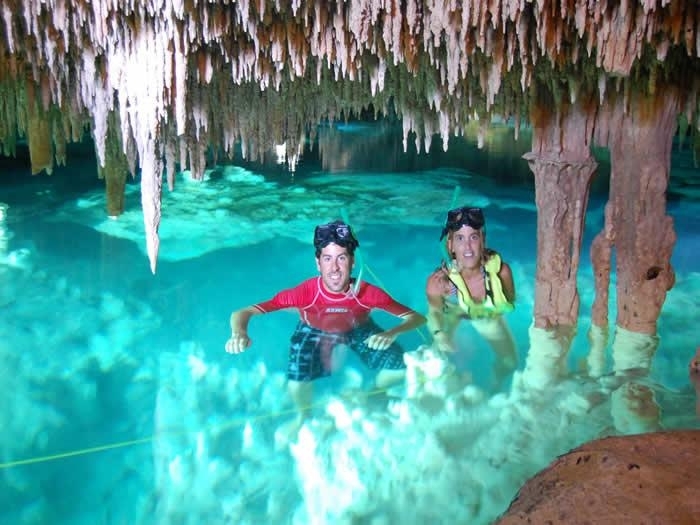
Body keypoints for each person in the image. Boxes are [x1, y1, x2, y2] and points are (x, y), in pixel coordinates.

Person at [225, 220, 426, 428]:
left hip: (358, 328)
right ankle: (303, 416)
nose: (335, 268)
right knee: (297, 383)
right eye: (327, 259)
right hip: (313, 330)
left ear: (352, 262)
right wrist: (238, 333)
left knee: (401, 367)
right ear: (318, 263)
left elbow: (418, 318)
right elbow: (243, 312)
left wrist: (392, 332)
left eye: (342, 258)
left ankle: (374, 392)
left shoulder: (369, 293)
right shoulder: (303, 294)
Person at [425, 206, 517, 389]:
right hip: (452, 312)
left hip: (484, 315)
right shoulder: (440, 281)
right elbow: (434, 313)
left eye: (473, 237)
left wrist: (489, 310)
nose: (467, 247)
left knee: (509, 362)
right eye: (460, 238)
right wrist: (439, 334)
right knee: (435, 359)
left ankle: (494, 385)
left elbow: (509, 300)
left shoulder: (500, 272)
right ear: (450, 245)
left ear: (483, 240)